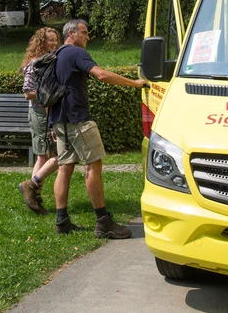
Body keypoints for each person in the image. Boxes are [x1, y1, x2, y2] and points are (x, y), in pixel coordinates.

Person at [50, 18, 148, 238]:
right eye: (85, 32)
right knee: (93, 166)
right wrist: (134, 83)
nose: (88, 37)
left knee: (64, 168)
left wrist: (51, 123)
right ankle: (103, 222)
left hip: (60, 122)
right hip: (78, 120)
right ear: (72, 34)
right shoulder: (76, 53)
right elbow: (101, 75)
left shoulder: (56, 55)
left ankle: (61, 221)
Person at [18, 27, 61, 214]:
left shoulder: (49, 61)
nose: (54, 43)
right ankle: (32, 191)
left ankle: (33, 194)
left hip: (47, 112)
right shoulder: (35, 63)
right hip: (38, 113)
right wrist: (51, 95)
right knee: (48, 156)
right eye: (50, 40)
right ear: (40, 42)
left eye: (55, 40)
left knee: (44, 157)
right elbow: (27, 93)